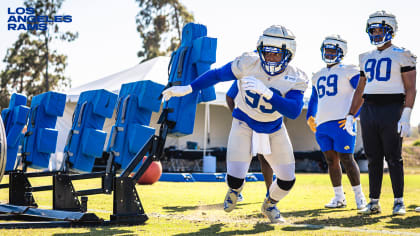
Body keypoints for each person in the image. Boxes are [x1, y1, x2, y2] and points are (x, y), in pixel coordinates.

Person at [163, 25, 308, 223]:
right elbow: (216, 75)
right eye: (267, 52)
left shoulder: (295, 76)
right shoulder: (248, 63)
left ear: (288, 54)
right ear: (260, 49)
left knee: (287, 180)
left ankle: (270, 205)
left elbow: (293, 111)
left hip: (273, 127)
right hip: (244, 123)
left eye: (277, 54)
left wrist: (267, 93)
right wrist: (188, 88)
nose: (270, 58)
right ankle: (235, 190)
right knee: (235, 179)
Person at [345, 10, 417, 215]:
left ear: (391, 30)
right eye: (373, 30)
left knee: (394, 157)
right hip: (369, 108)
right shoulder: (365, 57)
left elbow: (411, 87)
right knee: (373, 157)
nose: (376, 33)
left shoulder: (402, 54)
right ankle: (374, 201)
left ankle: (399, 201)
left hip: (392, 107)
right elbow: (360, 89)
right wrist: (351, 114)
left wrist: (406, 114)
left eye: (380, 29)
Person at [306, 35, 367, 210]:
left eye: (333, 50)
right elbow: (314, 98)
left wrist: (354, 115)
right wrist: (310, 116)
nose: (329, 53)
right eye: (327, 50)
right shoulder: (317, 74)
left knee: (347, 158)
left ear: (341, 52)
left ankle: (359, 197)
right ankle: (339, 197)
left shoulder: (349, 69)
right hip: (323, 123)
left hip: (342, 121)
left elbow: (363, 92)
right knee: (331, 160)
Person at [226, 81, 274, 195]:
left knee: (264, 157)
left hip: (262, 122)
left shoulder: (270, 76)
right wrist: (238, 117)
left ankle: (269, 192)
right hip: (249, 122)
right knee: (240, 158)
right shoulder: (245, 73)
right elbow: (229, 96)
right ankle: (235, 190)